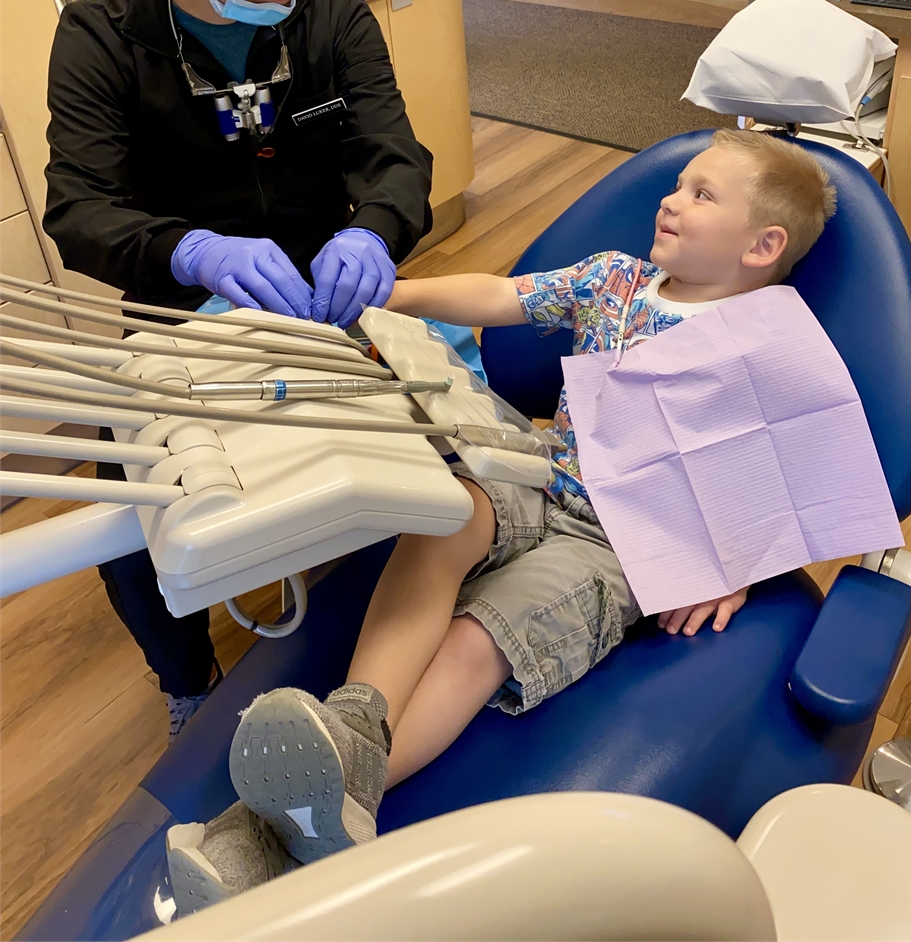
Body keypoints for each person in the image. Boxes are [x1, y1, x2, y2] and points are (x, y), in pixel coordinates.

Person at [165, 126, 838, 914]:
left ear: (762, 246)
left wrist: (736, 566)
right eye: (679, 183)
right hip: (539, 471)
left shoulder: (771, 348)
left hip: (620, 545)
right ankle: (353, 721)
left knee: (483, 634)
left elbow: (796, 475)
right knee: (446, 518)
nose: (670, 198)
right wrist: (393, 292)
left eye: (702, 193)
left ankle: (290, 814)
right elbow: (503, 296)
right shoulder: (617, 280)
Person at [43, 0, 433, 738]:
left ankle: (378, 649)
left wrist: (372, 233)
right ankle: (187, 681)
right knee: (137, 515)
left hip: (324, 296)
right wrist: (189, 249)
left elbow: (395, 154)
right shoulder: (100, 41)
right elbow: (80, 208)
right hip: (181, 315)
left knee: (426, 462)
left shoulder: (330, 9)